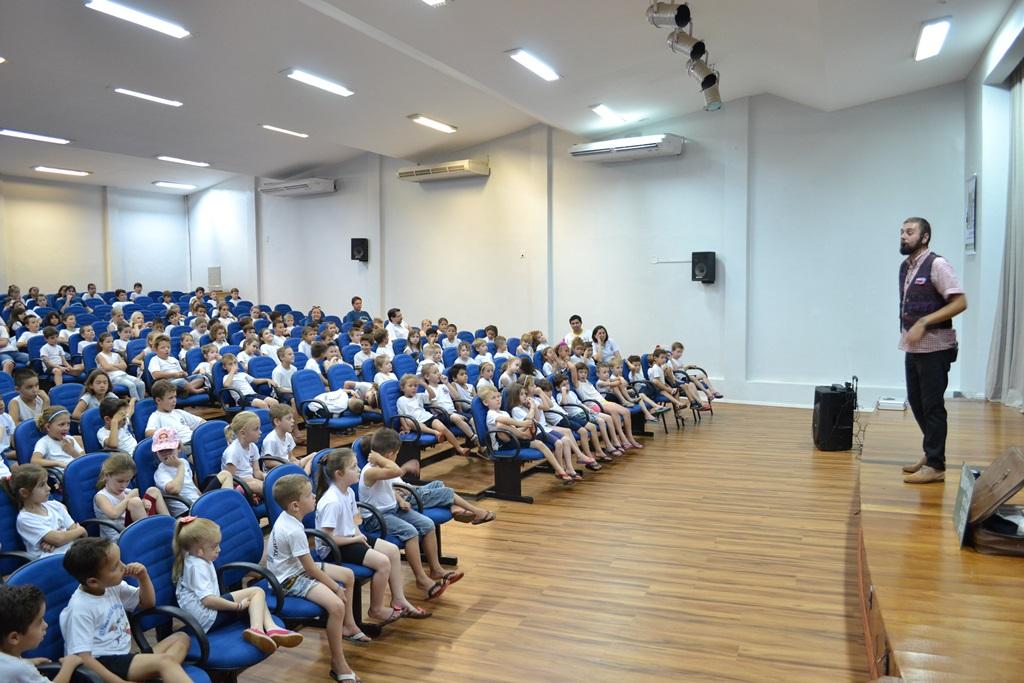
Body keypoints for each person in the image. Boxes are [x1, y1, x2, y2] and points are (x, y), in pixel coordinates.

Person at [316, 447, 432, 625]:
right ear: (339, 473)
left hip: (349, 539)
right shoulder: (331, 501)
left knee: (392, 551)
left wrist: (358, 535)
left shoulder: (348, 492)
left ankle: (399, 599)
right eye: (354, 467)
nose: (359, 470)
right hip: (334, 549)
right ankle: (376, 609)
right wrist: (356, 539)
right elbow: (327, 540)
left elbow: (352, 522)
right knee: (383, 562)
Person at [265, 474, 362, 682]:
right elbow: (311, 570)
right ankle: (338, 662)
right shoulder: (293, 530)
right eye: (309, 495)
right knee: (337, 605)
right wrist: (336, 589)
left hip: (297, 567)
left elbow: (306, 565)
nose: (315, 497)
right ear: (295, 506)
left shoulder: (290, 519)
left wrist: (337, 586)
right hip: (288, 579)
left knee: (348, 575)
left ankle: (349, 626)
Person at [59, 537, 192, 682]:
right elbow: (83, 658)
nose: (123, 567)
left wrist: (143, 578)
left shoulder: (111, 587)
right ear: (93, 582)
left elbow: (147, 603)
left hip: (125, 657)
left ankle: (156, 673)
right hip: (104, 663)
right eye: (115, 566)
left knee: (181, 638)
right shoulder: (80, 609)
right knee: (166, 662)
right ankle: (162, 670)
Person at [898, 217, 967, 484]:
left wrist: (924, 322)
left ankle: (936, 465)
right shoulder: (906, 267)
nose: (903, 236)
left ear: (924, 237)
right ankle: (931, 453)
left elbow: (960, 302)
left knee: (933, 406)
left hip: (936, 348)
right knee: (916, 402)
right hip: (914, 347)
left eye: (910, 232)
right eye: (902, 232)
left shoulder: (938, 265)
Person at [172, 516, 303, 654]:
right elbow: (208, 600)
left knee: (256, 597)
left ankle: (271, 628)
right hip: (207, 618)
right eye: (214, 546)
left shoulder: (195, 558)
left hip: (206, 615)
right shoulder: (197, 567)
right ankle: (258, 629)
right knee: (257, 592)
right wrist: (237, 606)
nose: (219, 549)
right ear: (200, 551)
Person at [359, 430, 465, 600]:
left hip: (392, 509)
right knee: (411, 532)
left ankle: (436, 569)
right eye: (396, 454)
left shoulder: (383, 467)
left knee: (427, 524)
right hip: (376, 518)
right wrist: (384, 460)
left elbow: (389, 487)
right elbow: (395, 471)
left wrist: (400, 499)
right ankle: (421, 579)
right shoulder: (370, 471)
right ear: (390, 454)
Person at [0, 584, 84, 683]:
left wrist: (26, 662)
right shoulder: (21, 669)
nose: (45, 625)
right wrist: (69, 665)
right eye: (39, 622)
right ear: (14, 638)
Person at [6, 465, 86, 560]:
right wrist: (79, 530)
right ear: (24, 492)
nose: (48, 488)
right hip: (50, 562)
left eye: (47, 483)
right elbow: (60, 538)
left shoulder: (56, 506)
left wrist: (62, 538)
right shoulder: (25, 519)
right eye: (42, 485)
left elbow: (81, 537)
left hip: (72, 554)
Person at [152, 428, 232, 516]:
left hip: (197, 502)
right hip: (186, 510)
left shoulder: (184, 462)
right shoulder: (160, 472)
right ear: (157, 453)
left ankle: (228, 507)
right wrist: (180, 466)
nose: (166, 453)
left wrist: (201, 497)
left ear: (178, 448)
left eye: (169, 449)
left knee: (226, 475)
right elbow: (174, 489)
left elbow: (191, 485)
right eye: (161, 451)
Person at [93, 453, 170, 541]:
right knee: (135, 502)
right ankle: (150, 538)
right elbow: (113, 514)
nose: (124, 485)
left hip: (135, 528)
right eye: (120, 481)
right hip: (119, 537)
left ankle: (170, 526)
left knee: (153, 491)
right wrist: (130, 498)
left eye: (127, 481)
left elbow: (137, 510)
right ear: (106, 476)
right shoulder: (101, 496)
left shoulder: (127, 492)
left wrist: (144, 504)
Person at [144, 380, 206, 453]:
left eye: (175, 397)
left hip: (195, 440)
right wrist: (170, 435)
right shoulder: (156, 416)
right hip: (182, 446)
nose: (174, 400)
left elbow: (201, 422)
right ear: (158, 400)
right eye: (171, 398)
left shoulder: (178, 412)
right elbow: (148, 433)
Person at [96, 332, 146, 400]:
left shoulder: (116, 354)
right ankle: (136, 403)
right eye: (108, 342)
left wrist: (112, 365)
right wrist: (119, 367)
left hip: (123, 374)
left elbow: (124, 366)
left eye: (112, 341)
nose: (111, 343)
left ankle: (141, 401)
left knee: (141, 383)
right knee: (131, 385)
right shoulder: (100, 355)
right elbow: (107, 367)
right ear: (101, 344)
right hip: (112, 377)